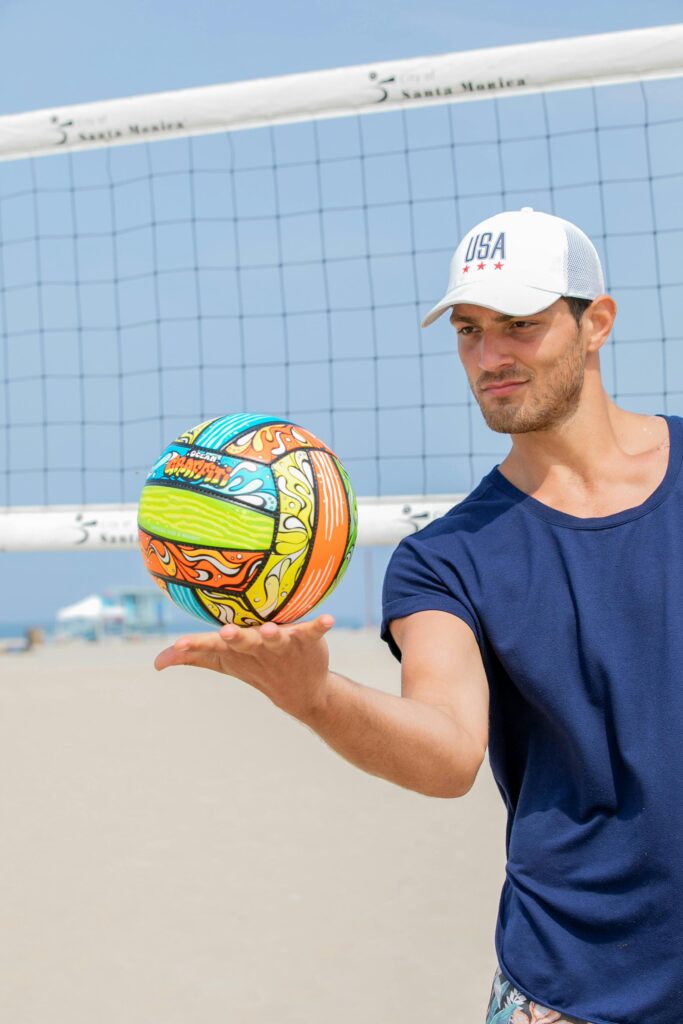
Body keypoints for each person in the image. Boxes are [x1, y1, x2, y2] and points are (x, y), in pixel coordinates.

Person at [156, 207, 681, 1024]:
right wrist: (313, 698)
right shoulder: (444, 559)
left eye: (520, 325)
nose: (490, 356)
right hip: (571, 988)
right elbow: (445, 752)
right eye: (469, 331)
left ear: (595, 323)